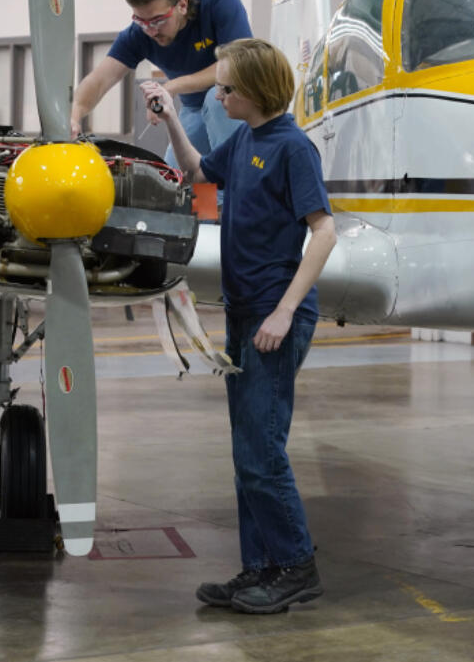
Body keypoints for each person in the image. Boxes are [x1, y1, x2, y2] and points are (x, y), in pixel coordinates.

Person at [145, 38, 336, 614]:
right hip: (244, 313)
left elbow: (323, 231)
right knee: (247, 451)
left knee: (262, 452)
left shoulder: (292, 148)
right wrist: (175, 120)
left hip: (273, 318)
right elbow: (199, 171)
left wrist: (283, 310)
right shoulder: (246, 139)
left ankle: (295, 567)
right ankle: (260, 569)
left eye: (225, 88)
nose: (218, 95)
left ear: (252, 92)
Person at [69, 0, 252, 164]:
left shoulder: (219, 1)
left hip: (235, 100)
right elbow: (99, 80)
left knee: (215, 98)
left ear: (182, 5)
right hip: (193, 109)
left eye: (157, 20)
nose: (151, 31)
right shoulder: (138, 35)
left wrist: (172, 87)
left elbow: (237, 64)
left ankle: (236, 183)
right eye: (141, 21)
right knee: (173, 182)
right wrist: (74, 115)